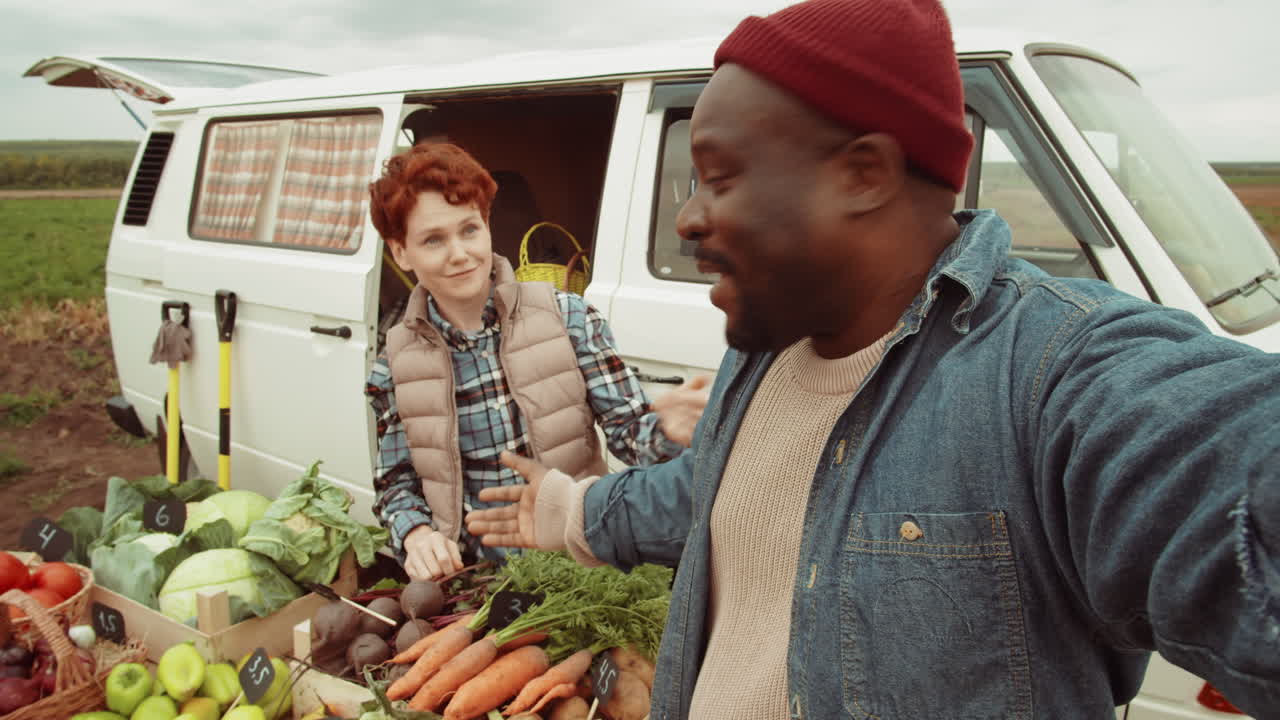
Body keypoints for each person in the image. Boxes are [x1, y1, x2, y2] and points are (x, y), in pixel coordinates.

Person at [463, 1, 1280, 718]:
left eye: (719, 177)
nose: (688, 218)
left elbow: (1218, 471)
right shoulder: (771, 346)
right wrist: (576, 511)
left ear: (863, 175)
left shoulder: (1049, 373)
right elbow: (723, 495)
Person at [365, 142, 708, 581]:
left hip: (580, 570)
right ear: (400, 252)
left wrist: (668, 431)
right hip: (476, 583)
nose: (459, 253)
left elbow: (629, 434)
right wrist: (415, 534)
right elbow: (395, 482)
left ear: (487, 225)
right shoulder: (394, 364)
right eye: (433, 240)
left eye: (469, 229)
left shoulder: (568, 318)